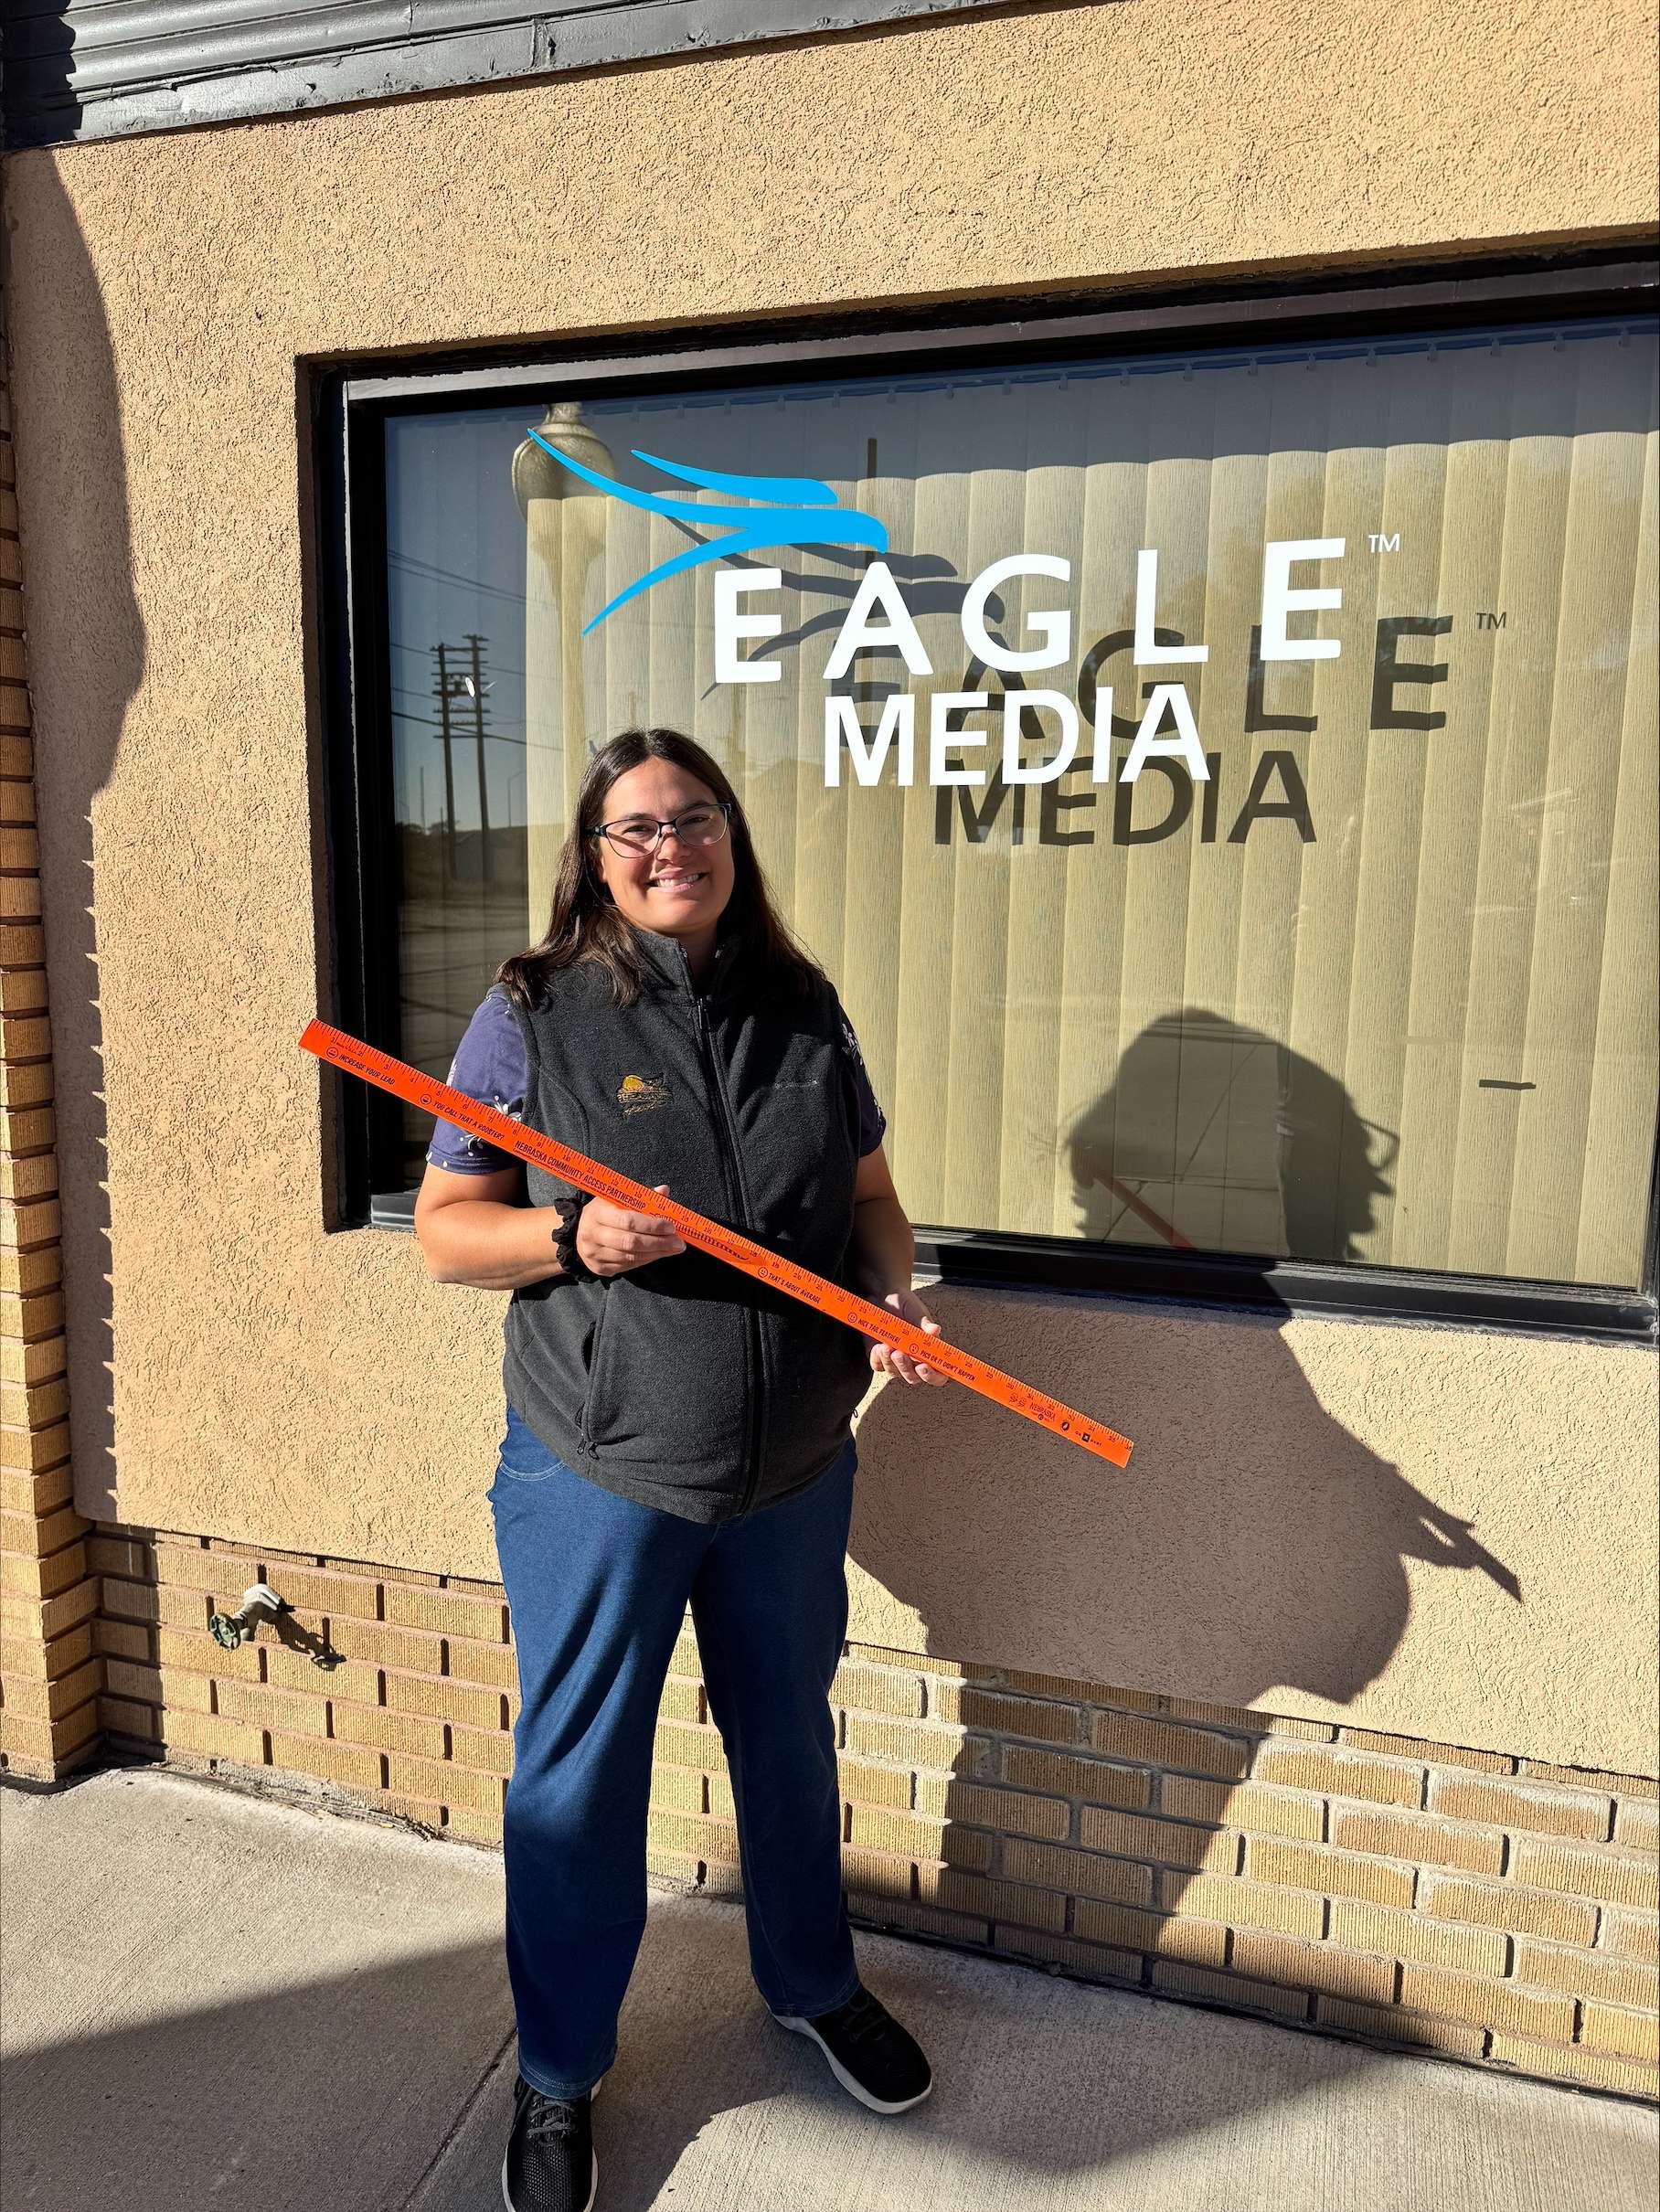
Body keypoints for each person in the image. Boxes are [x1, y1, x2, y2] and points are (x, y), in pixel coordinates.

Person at [414, 726, 948, 2212]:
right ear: (597, 859)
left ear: (730, 837)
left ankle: (813, 1984)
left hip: (794, 1469)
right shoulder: (531, 1014)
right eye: (637, 828)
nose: (670, 847)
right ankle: (558, 2068)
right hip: (603, 1471)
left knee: (787, 1740)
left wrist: (892, 1299)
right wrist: (572, 1235)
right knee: (580, 1777)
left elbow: (872, 1199)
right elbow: (447, 1231)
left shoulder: (803, 1008)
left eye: (694, 818)